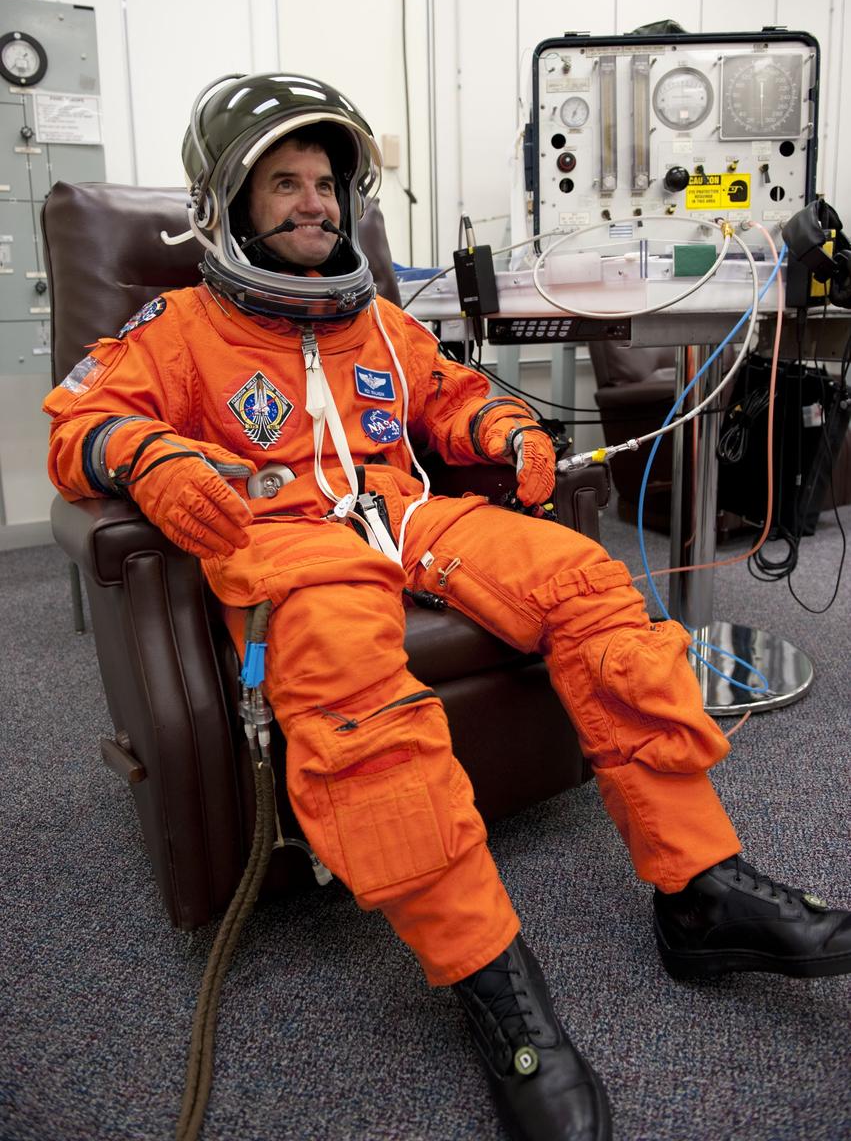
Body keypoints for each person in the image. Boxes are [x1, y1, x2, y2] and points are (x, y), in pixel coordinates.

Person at [44, 73, 851, 1141]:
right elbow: (80, 422)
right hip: (286, 538)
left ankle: (699, 886)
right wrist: (149, 456)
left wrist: (505, 430)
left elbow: (451, 396)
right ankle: (491, 980)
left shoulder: (379, 322)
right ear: (228, 202)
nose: (314, 202)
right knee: (351, 690)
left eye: (326, 183)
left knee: (587, 582)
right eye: (284, 183)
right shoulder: (179, 327)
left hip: (407, 516)